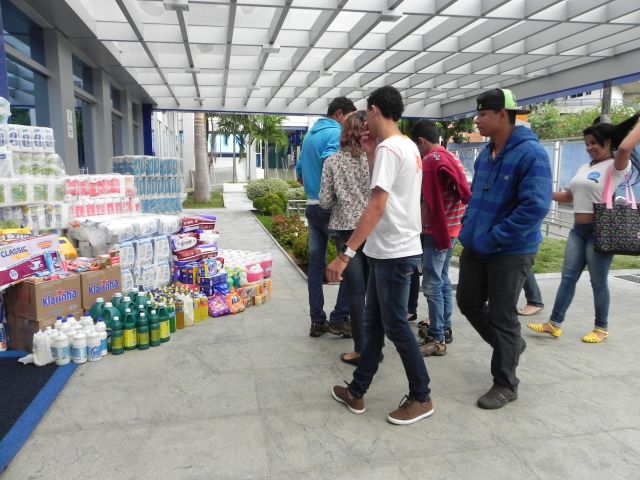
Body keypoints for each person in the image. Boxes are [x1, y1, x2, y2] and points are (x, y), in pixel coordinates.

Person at [327, 86, 433, 425]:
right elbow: (388, 188)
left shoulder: (390, 148)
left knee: (396, 326)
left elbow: (376, 205)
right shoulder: (405, 146)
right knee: (372, 326)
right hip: (391, 249)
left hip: (392, 252)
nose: (365, 122)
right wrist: (371, 149)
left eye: (367, 114)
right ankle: (357, 390)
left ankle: (421, 396)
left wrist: (346, 254)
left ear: (374, 110)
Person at [456, 88, 552, 409]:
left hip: (511, 249)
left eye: (483, 114)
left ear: (502, 115)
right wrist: (468, 227)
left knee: (502, 315)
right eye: (478, 113)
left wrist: (496, 236)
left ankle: (506, 383)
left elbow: (535, 207)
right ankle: (510, 345)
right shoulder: (486, 154)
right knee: (468, 301)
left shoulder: (531, 154)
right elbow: (475, 196)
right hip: (477, 244)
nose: (477, 120)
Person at [527, 114, 640, 343]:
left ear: (608, 142)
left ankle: (601, 328)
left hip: (600, 232)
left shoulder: (616, 166)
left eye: (594, 143)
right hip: (577, 231)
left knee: (598, 282)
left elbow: (625, 147)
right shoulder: (585, 167)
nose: (589, 148)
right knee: (567, 278)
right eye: (587, 143)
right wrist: (540, 191)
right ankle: (554, 324)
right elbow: (569, 196)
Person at [295, 97, 357, 338]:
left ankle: (317, 320)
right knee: (348, 261)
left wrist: (313, 190)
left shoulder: (310, 136)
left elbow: (299, 172)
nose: (351, 122)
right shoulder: (335, 132)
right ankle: (339, 318)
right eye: (349, 116)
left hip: (312, 207)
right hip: (330, 209)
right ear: (339, 113)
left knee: (316, 265)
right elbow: (331, 160)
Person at [410, 120, 471, 356]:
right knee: (442, 279)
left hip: (437, 231)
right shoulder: (452, 157)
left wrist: (416, 228)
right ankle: (445, 327)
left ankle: (437, 339)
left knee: (432, 285)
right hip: (452, 229)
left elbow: (428, 201)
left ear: (421, 141)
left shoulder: (430, 162)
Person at [319, 110, 371, 365]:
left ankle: (363, 349)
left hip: (347, 232)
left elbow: (325, 201)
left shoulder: (333, 162)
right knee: (375, 292)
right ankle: (377, 345)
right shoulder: (375, 159)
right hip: (374, 229)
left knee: (356, 293)